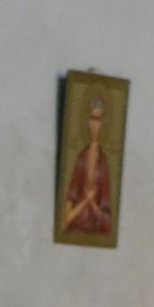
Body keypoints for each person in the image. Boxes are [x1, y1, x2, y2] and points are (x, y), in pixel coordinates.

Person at [61, 97, 113, 236]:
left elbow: (108, 220)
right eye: (93, 119)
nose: (95, 125)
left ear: (103, 124)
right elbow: (66, 220)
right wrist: (86, 200)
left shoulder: (103, 163)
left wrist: (94, 205)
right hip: (76, 229)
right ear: (88, 122)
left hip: (95, 232)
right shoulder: (81, 159)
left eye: (99, 120)